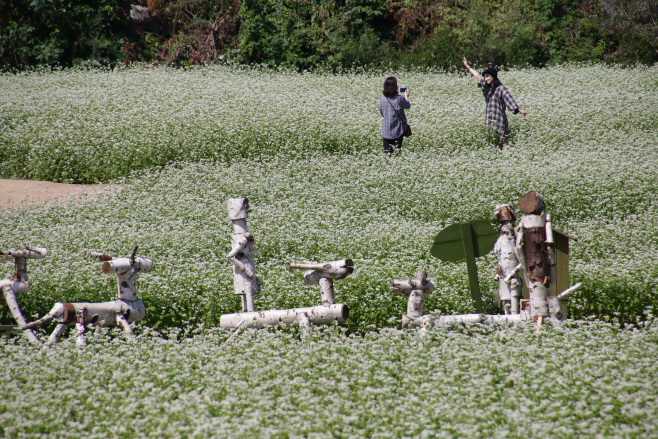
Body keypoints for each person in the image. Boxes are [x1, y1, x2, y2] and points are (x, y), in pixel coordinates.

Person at [463, 58, 529, 151]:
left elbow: (509, 99)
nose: (486, 79)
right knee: (491, 139)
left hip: (499, 118)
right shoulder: (486, 87)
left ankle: (505, 157)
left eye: (488, 76)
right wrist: (467, 66)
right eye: (485, 77)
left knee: (502, 140)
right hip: (489, 117)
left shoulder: (501, 89)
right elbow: (477, 75)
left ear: (493, 76)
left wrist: (519, 110)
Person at [379, 76, 410, 154]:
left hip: (386, 130)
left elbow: (382, 113)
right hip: (398, 130)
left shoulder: (382, 99)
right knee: (396, 153)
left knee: (387, 153)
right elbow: (407, 106)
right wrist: (406, 96)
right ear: (395, 86)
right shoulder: (399, 98)